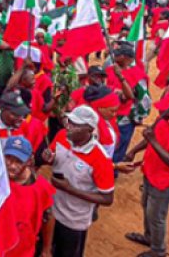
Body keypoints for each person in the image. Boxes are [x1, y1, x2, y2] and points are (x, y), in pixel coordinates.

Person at [121, 96, 169, 257]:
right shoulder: (163, 120)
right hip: (152, 171)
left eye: (165, 109)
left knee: (157, 215)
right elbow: (151, 135)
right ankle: (149, 237)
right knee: (146, 205)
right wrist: (133, 151)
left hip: (167, 181)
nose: (160, 110)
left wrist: (153, 141)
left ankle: (158, 250)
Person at [45, 105, 115, 257]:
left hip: (73, 221)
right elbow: (53, 156)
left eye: (76, 125)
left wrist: (70, 189)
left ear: (89, 130)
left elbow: (107, 198)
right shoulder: (62, 135)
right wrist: (49, 158)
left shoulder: (101, 159)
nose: (69, 126)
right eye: (70, 121)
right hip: (51, 211)